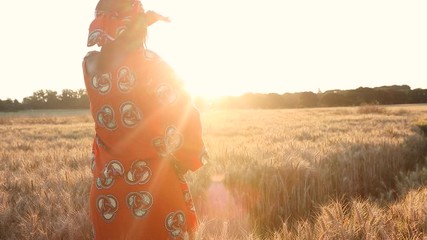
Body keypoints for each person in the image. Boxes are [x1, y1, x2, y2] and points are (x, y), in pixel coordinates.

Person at [82, 0, 208, 239]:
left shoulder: (89, 65)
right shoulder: (150, 63)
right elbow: (186, 114)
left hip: (106, 190)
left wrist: (140, 21)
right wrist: (187, 158)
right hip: (153, 188)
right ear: (138, 27)